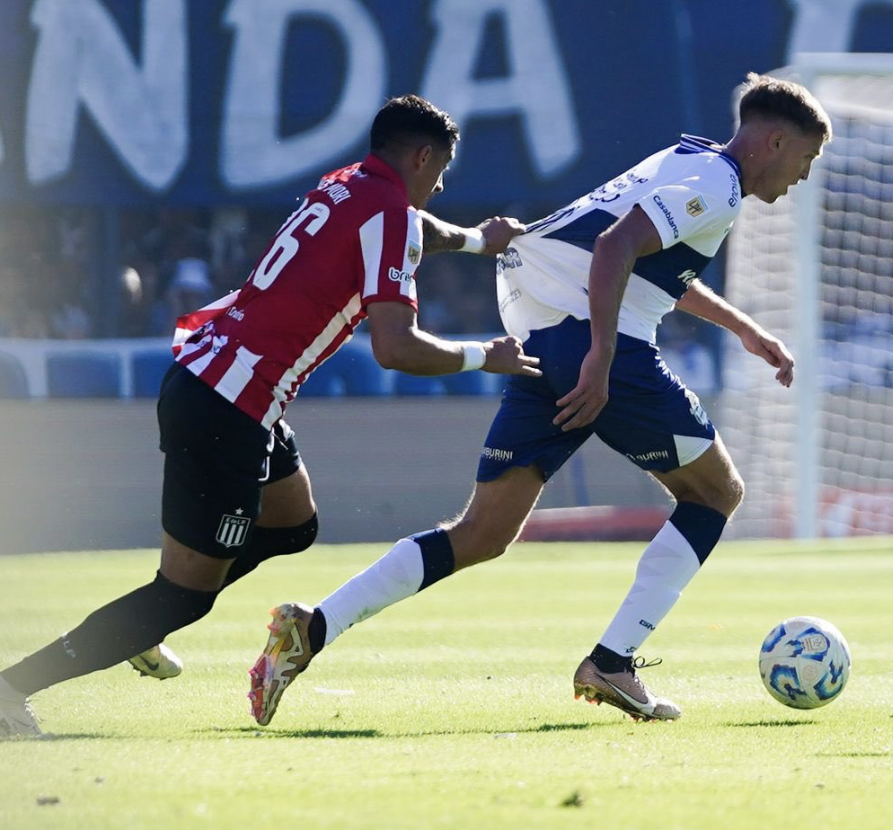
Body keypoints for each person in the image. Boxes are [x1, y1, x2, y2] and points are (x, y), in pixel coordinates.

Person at [247, 73, 831, 727]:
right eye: (805, 159)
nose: (802, 176)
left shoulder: (688, 159)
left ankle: (312, 628)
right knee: (716, 493)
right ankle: (614, 659)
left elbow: (639, 253)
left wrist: (745, 329)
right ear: (776, 141)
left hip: (541, 337)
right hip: (590, 343)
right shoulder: (717, 184)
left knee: (481, 534)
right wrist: (603, 358)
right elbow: (614, 248)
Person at [0, 94, 540, 738]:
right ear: (423, 156)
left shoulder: (346, 187)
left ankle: (143, 620)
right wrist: (487, 356)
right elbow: (395, 348)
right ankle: (18, 685)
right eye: (440, 172)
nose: (439, 186)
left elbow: (419, 229)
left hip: (218, 381)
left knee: (292, 523)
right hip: (228, 404)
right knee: (185, 594)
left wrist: (480, 240)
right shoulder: (391, 215)